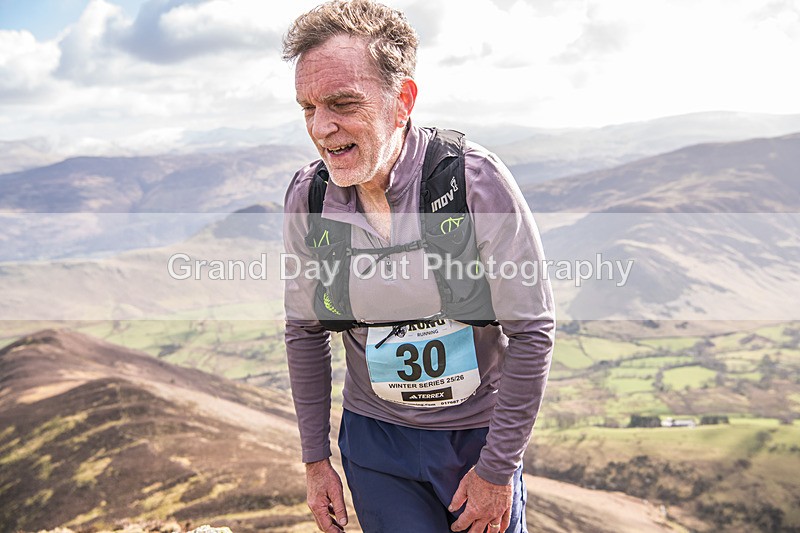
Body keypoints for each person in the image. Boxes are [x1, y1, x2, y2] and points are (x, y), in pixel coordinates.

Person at [281, 1, 555, 532]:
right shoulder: (309, 198)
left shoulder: (475, 184)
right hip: (374, 444)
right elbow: (304, 331)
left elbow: (532, 331)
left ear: (402, 99)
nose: (321, 127)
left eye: (342, 103)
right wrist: (316, 461)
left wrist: (497, 471)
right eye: (307, 107)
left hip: (474, 441)